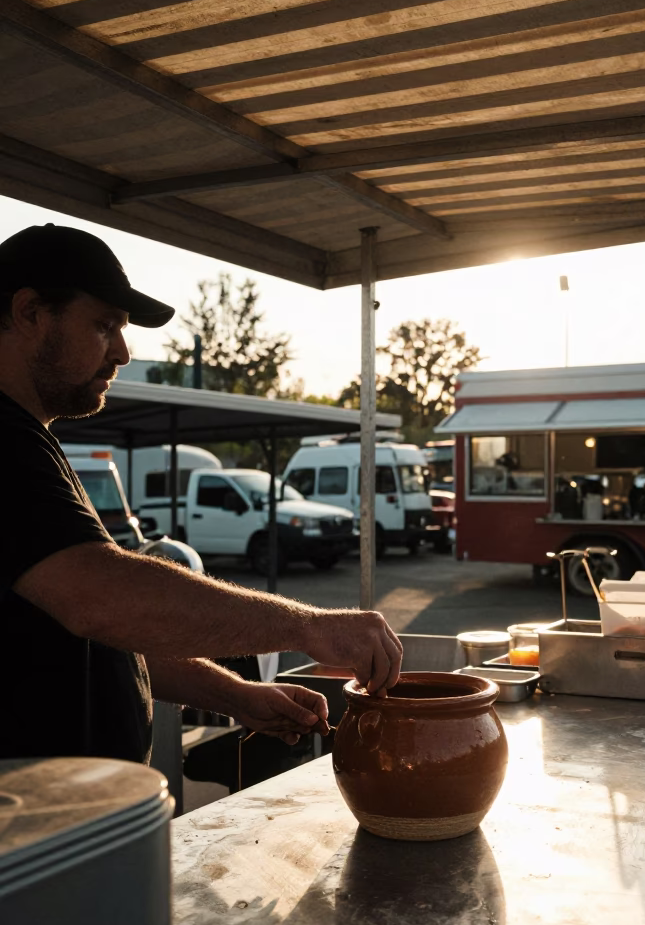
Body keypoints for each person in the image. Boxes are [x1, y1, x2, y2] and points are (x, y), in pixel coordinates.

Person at [0, 223, 402, 763]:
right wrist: (307, 626)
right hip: (25, 826)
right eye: (104, 325)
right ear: (29, 313)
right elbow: (99, 597)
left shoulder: (31, 440)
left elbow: (101, 632)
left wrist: (234, 695)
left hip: (69, 815)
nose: (121, 351)